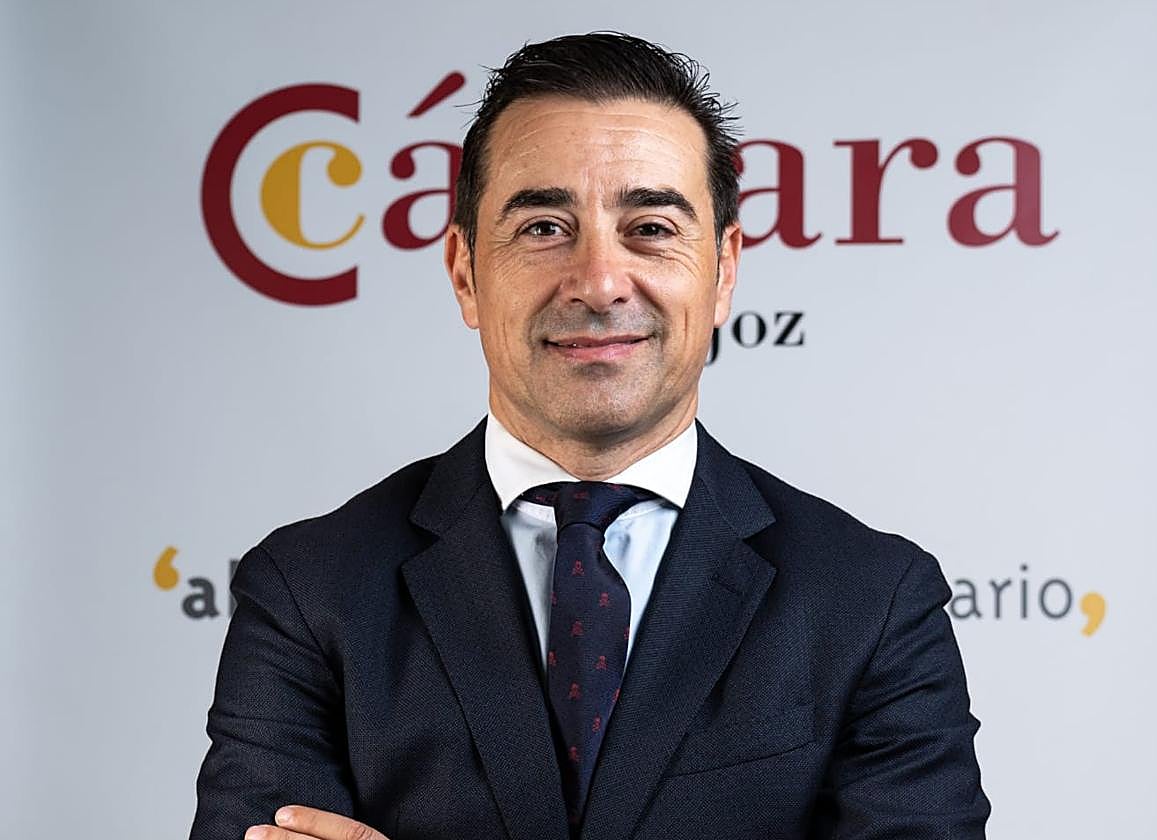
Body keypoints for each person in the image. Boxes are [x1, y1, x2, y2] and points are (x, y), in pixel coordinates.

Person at [189, 32, 990, 840]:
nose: (600, 282)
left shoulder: (872, 601)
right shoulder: (308, 592)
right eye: (544, 227)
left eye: (651, 227)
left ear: (723, 270)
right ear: (466, 272)